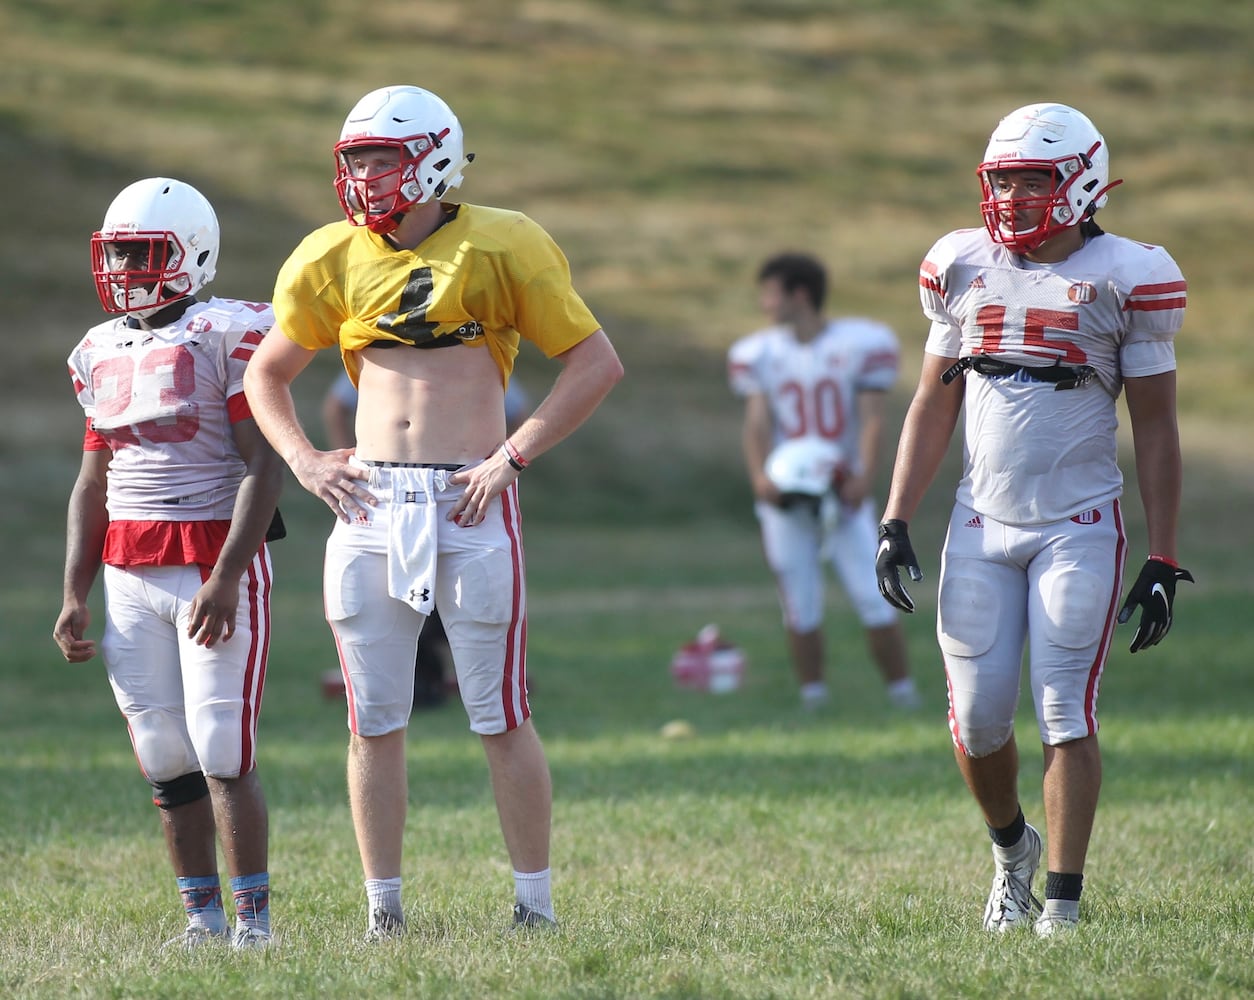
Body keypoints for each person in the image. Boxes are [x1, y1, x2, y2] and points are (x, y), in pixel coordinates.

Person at [243, 84, 623, 938]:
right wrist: (304, 460)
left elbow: (596, 363)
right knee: (373, 717)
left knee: (499, 712)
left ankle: (536, 906)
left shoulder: (505, 240)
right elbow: (264, 374)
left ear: (435, 157)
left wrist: (513, 455)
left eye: (381, 158)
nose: (364, 177)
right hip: (371, 498)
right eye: (356, 160)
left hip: (469, 492)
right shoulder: (328, 254)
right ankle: (385, 912)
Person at [875, 102, 1191, 936]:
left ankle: (1062, 903)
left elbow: (1155, 427)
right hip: (981, 521)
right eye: (1003, 179)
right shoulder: (960, 263)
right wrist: (895, 517)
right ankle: (1011, 850)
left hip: (1078, 522)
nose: (1012, 197)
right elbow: (930, 406)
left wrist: (1162, 556)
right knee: (977, 723)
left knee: (1064, 712)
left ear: (1082, 182)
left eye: (1032, 180)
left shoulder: (1130, 273)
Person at [52, 177, 285, 950]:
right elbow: (95, 481)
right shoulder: (98, 347)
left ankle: (255, 925)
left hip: (209, 556)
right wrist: (73, 592)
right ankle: (201, 919)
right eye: (115, 251)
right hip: (128, 567)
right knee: (162, 750)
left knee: (222, 745)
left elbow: (264, 464)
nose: (122, 267)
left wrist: (225, 575)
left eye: (140, 251)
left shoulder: (228, 332)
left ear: (193, 253)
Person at [728, 252, 919, 712]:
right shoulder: (759, 352)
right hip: (786, 487)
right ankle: (813, 697)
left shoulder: (861, 343)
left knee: (874, 594)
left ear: (799, 294)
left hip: (842, 486)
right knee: (798, 599)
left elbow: (874, 417)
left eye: (770, 293)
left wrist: (865, 477)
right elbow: (756, 422)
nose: (765, 304)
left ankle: (902, 694)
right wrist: (758, 475)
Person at [320, 372, 533, 708]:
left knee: (459, 601)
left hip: (458, 493)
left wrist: (504, 460)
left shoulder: (478, 347)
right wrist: (348, 461)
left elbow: (518, 409)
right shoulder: (378, 346)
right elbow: (335, 407)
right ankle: (414, 680)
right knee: (390, 598)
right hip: (384, 494)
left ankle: (435, 678)